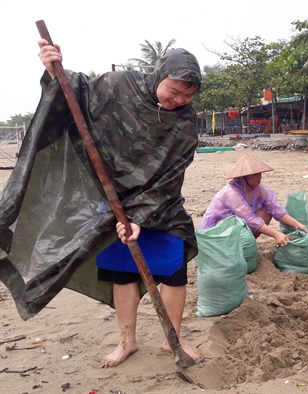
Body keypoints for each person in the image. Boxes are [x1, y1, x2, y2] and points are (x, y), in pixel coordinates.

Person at [37, 40, 203, 367]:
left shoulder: (185, 120)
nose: (180, 100)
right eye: (174, 90)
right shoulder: (118, 86)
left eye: (188, 95)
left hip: (161, 204)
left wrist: (142, 217)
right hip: (114, 202)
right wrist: (53, 69)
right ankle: (127, 341)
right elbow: (75, 94)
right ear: (159, 76)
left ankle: (174, 337)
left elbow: (173, 173)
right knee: (122, 272)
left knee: (174, 271)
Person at [198, 153, 308, 246]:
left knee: (265, 213)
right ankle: (236, 247)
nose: (259, 177)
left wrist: (296, 224)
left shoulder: (258, 189)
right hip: (219, 228)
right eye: (254, 175)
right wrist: (276, 234)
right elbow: (250, 219)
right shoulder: (231, 193)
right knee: (245, 223)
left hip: (239, 225)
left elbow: (275, 209)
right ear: (244, 177)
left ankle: (247, 245)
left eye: (259, 173)